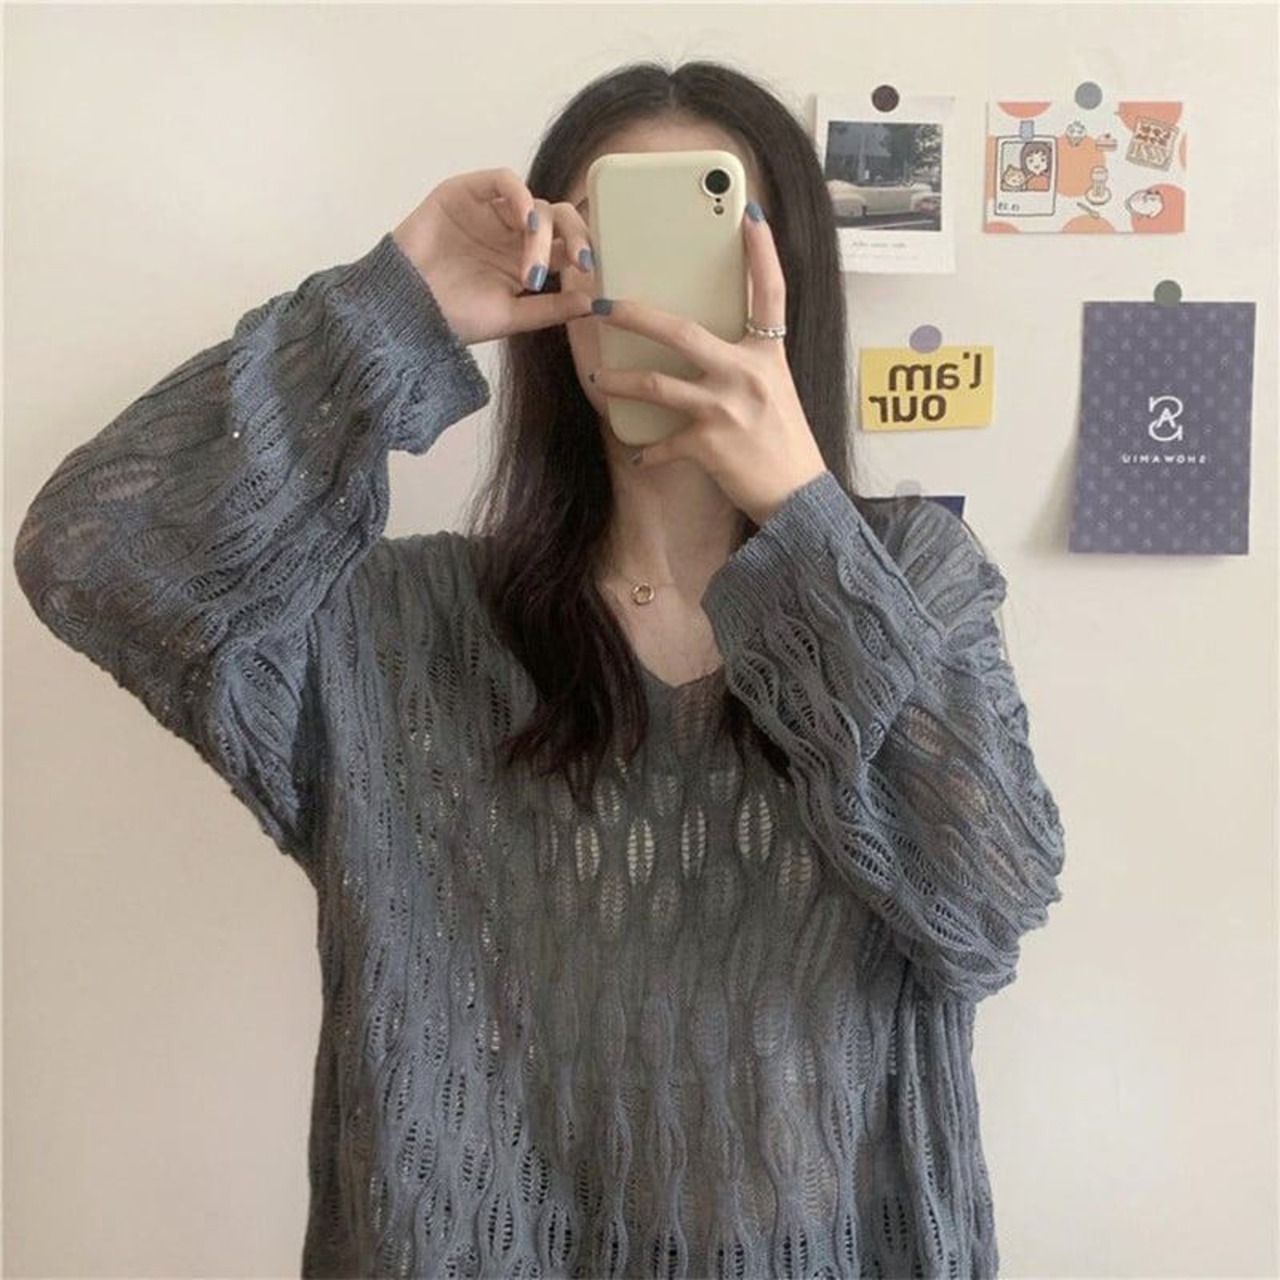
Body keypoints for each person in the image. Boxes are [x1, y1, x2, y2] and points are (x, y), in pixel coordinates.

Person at [13, 58, 1066, 1280]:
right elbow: (91, 555)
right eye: (613, 235)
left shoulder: (905, 579)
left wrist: (800, 514)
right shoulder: (391, 631)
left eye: (708, 233)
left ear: (786, 280)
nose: (661, 292)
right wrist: (387, 314)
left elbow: (986, 906)